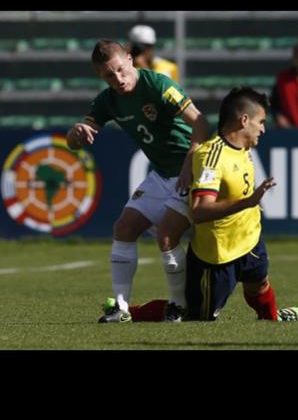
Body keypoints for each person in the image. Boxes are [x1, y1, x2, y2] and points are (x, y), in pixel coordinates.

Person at [106, 87, 298, 323]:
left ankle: (273, 318)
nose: (264, 128)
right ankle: (131, 312)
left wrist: (249, 207)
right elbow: (200, 211)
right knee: (196, 316)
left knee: (259, 284)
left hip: (250, 239)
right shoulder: (210, 157)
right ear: (244, 120)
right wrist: (248, 202)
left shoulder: (244, 148)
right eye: (261, 122)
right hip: (218, 257)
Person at [66, 40, 210, 323]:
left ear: (131, 60)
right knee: (124, 227)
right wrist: (76, 132)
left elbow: (201, 123)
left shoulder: (158, 84)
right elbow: (74, 144)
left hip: (192, 170)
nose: (118, 79)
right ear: (101, 76)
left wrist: (190, 162)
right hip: (161, 174)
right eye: (109, 75)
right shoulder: (107, 100)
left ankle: (178, 307)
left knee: (166, 235)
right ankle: (121, 308)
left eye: (121, 70)